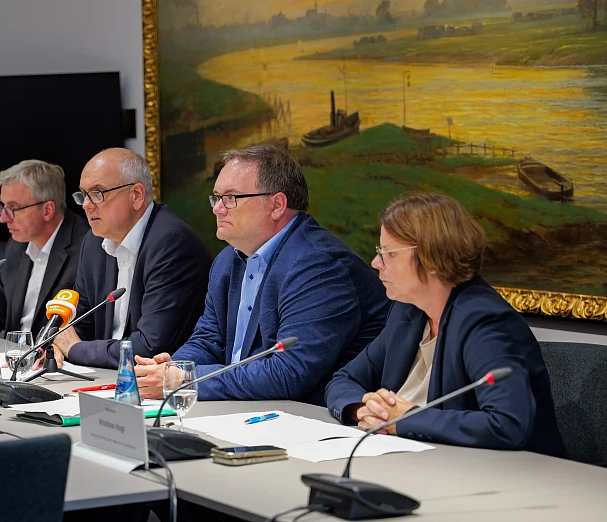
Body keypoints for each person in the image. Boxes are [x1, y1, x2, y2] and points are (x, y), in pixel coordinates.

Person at [134, 145, 390, 405]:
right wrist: (173, 368)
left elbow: (288, 373)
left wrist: (185, 380)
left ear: (277, 205)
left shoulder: (319, 267)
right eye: (216, 198)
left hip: (311, 420)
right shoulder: (227, 260)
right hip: (246, 408)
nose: (217, 209)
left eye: (231, 198)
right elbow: (209, 340)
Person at [324, 192, 565, 457]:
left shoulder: (484, 323)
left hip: (504, 477)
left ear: (431, 259)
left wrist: (403, 420)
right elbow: (344, 379)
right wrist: (365, 408)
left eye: (389, 254)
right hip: (416, 459)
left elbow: (507, 424)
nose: (376, 263)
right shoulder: (408, 312)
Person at [37, 148, 212, 370]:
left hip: (158, 384)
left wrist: (74, 349)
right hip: (105, 374)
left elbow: (150, 346)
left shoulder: (172, 244)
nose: (86, 205)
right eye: (83, 194)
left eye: (98, 193)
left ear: (137, 196)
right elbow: (79, 323)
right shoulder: (93, 243)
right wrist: (56, 348)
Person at [0, 160, 89, 336]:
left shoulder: (86, 247)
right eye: (3, 207)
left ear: (47, 210)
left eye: (13, 208)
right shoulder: (17, 245)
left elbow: (83, 327)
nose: (3, 218)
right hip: (13, 355)